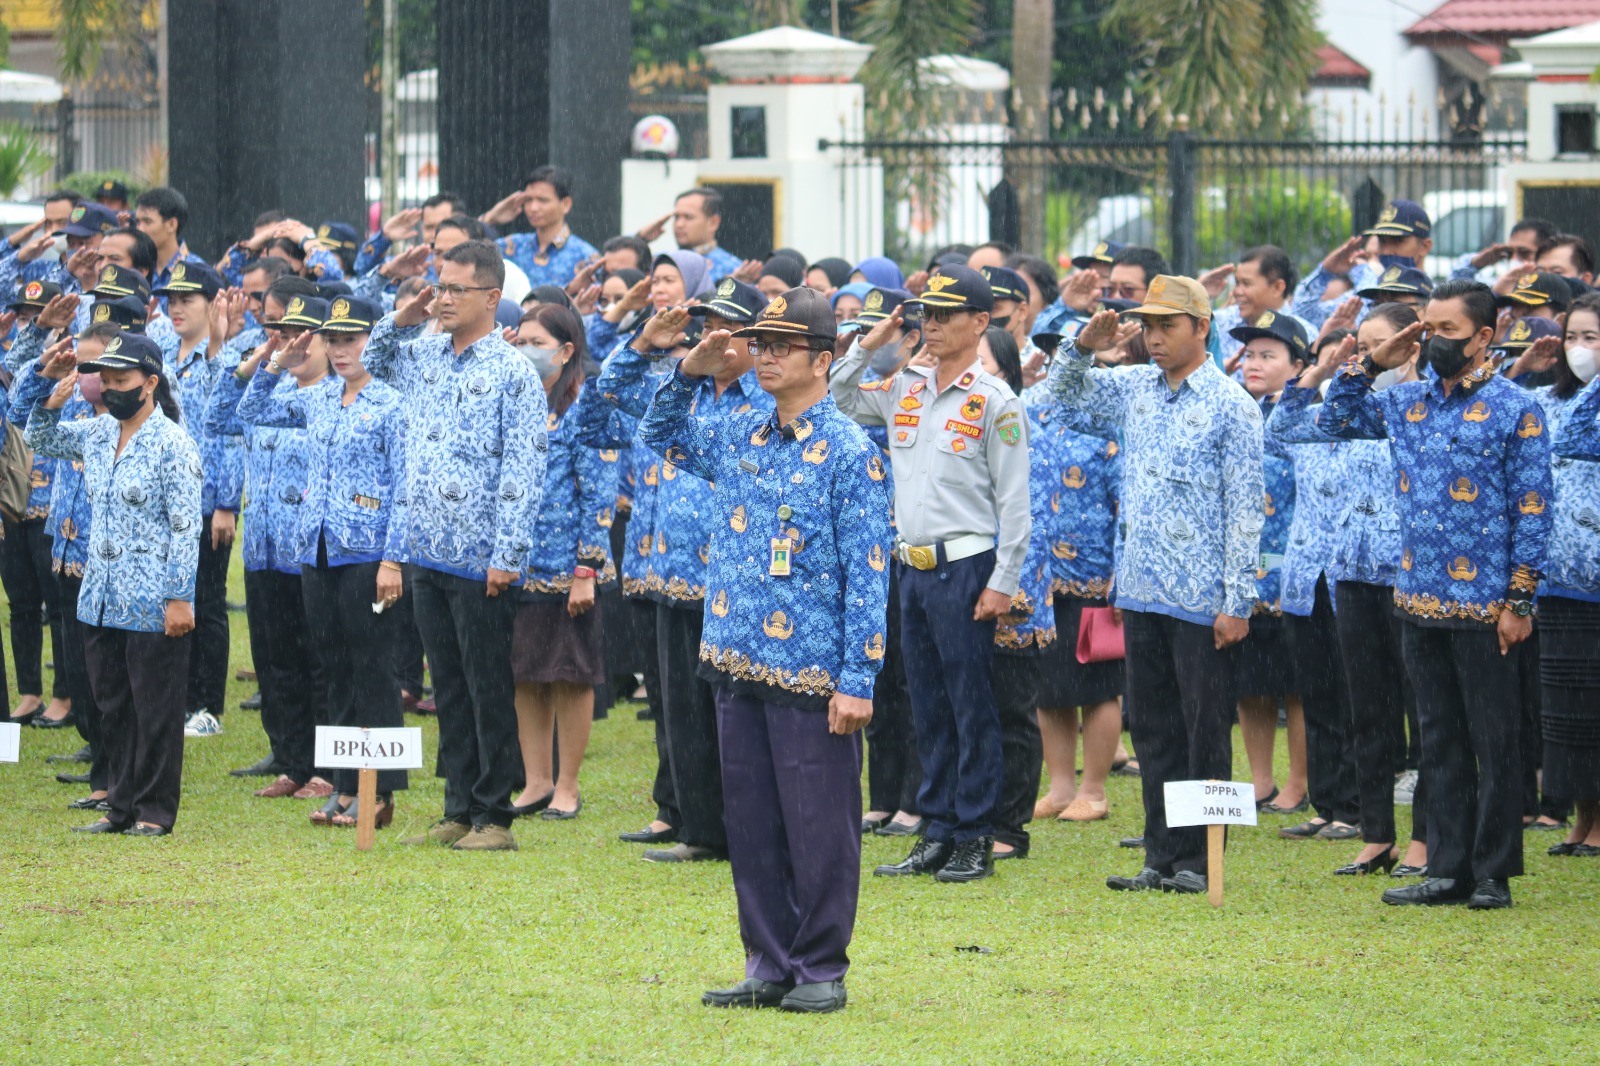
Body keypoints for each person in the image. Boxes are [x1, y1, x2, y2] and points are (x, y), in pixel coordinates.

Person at [639, 285, 891, 1015]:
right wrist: (686, 371)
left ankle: (819, 966)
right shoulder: (742, 434)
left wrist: (858, 678)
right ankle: (768, 960)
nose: (767, 355)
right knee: (751, 823)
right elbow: (659, 433)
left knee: (818, 825)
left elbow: (870, 575)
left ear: (824, 357)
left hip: (813, 669)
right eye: (763, 343)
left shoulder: (848, 453)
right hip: (734, 655)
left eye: (784, 345)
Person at [1320, 279, 1553, 909]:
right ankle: (1446, 868)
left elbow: (1534, 510)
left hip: (1488, 604)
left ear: (1484, 338)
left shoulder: (1515, 408)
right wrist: (1375, 361)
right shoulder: (1408, 404)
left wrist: (1520, 601)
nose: (1435, 342)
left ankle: (1494, 871)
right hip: (1417, 599)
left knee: (1494, 741)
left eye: (1448, 332)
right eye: (1429, 329)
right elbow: (1333, 416)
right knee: (1439, 740)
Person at [1054, 276, 1264, 896]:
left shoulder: (1232, 404)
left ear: (1203, 327)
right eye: (1148, 326)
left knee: (1204, 726)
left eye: (1168, 325)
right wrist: (1081, 346)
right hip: (1142, 589)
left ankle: (1202, 858)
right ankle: (1160, 854)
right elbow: (1060, 400)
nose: (1154, 337)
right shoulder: (1134, 388)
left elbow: (1246, 509)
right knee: (1152, 726)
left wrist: (1237, 601)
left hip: (1204, 599)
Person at [832, 265, 1032, 884]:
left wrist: (1003, 580)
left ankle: (975, 832)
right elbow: (839, 396)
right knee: (925, 706)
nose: (934, 325)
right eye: (927, 314)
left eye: (948, 315)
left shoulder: (995, 401)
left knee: (971, 706)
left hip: (967, 566)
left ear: (982, 322)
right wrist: (872, 342)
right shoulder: (905, 387)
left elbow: (1015, 502)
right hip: (910, 567)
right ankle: (935, 827)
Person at [368, 240, 548, 852]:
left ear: (492, 299)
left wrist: (508, 553)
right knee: (445, 683)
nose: (442, 298)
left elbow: (524, 468)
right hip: (425, 547)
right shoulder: (424, 355)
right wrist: (405, 314)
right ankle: (457, 805)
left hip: (480, 554)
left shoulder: (513, 372)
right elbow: (374, 353)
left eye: (455, 290)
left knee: (486, 683)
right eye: (439, 286)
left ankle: (494, 815)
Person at [595, 278, 774, 863]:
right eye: (707, 323)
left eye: (730, 327)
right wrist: (647, 342)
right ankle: (685, 816)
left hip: (724, 578)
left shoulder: (765, 399)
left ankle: (717, 828)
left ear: (756, 338)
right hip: (662, 568)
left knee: (719, 708)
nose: (713, 337)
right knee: (676, 707)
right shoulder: (681, 386)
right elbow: (611, 386)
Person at [234, 295, 411, 828]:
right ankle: (342, 783)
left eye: (350, 339)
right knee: (334, 668)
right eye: (332, 339)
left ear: (371, 340)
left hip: (368, 553)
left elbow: (405, 487)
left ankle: (377, 792)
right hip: (316, 549)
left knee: (371, 670)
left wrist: (394, 561)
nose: (340, 350)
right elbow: (249, 412)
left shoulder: (391, 404)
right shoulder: (317, 398)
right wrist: (276, 364)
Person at [27, 332, 202, 836]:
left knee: (155, 709)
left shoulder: (173, 444)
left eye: (120, 380)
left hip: (153, 599)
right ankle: (119, 805)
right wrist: (49, 399)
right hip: (100, 596)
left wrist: (179, 597)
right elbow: (41, 437)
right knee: (112, 705)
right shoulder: (99, 433)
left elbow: (185, 527)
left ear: (149, 383)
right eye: (105, 379)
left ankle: (152, 811)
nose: (109, 389)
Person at [1285, 307, 1431, 876]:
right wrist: (1323, 370)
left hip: (1412, 576)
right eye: (1361, 349)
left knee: (1424, 718)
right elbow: (1284, 428)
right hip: (1352, 573)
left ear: (1412, 346)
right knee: (1367, 709)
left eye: (1383, 346)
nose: (1369, 358)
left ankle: (1426, 837)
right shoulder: (1350, 406)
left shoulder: (1425, 407)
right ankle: (1377, 833)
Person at [206, 284, 331, 798]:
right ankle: (290, 758)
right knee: (274, 656)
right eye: (282, 332)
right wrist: (260, 361)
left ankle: (325, 766)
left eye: (305, 335)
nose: (292, 344)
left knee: (318, 659)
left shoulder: (334, 397)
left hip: (312, 550)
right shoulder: (270, 392)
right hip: (262, 547)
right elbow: (218, 418)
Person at [1241, 313, 1360, 840]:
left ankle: (1322, 792)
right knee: (1276, 686)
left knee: (1316, 690)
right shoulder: (1248, 410)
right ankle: (1293, 791)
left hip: (1322, 572)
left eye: (1269, 355)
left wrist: (1313, 381)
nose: (1255, 363)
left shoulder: (1328, 415)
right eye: (1250, 353)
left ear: (1300, 364)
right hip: (1272, 575)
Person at [508, 303, 618, 821]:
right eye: (520, 341)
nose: (525, 350)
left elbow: (599, 495)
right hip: (520, 564)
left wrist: (585, 570)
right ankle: (536, 781)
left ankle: (568, 786)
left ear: (566, 349)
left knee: (571, 676)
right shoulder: (518, 399)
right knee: (527, 674)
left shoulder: (582, 406)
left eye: (535, 342)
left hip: (569, 567)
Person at [154, 261, 235, 739]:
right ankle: (180, 698)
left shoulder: (223, 356)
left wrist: (226, 502)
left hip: (207, 501)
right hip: (168, 500)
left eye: (188, 299)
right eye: (172, 299)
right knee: (174, 596)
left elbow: (229, 433)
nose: (177, 307)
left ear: (213, 303)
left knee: (207, 600)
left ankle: (208, 705)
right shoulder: (161, 352)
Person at [1539, 295, 1600, 857]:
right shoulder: (1551, 399)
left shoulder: (1588, 406)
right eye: (1572, 337)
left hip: (1596, 581)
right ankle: (1581, 818)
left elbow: (1578, 439)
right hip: (1557, 579)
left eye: (1592, 338)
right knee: (1567, 710)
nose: (1579, 349)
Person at [483, 166, 598, 289]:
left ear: (566, 204)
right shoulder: (510, 246)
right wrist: (489, 219)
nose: (533, 208)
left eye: (543, 200)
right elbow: (466, 258)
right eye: (528, 200)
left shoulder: (586, 257)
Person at [134, 187, 208, 292]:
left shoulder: (197, 271)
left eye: (147, 221)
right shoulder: (135, 268)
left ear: (171, 225)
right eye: (137, 222)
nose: (139, 229)